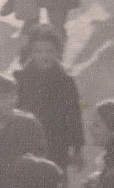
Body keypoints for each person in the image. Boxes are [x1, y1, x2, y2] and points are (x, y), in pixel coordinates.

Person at [14, 24, 86, 176]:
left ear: (57, 53)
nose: (44, 56)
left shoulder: (66, 81)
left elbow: (74, 114)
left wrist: (78, 148)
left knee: (56, 186)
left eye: (49, 51)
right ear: (30, 53)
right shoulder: (20, 79)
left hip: (57, 143)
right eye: (38, 51)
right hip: (27, 143)